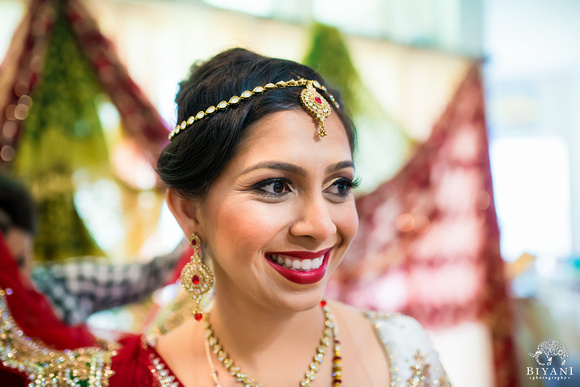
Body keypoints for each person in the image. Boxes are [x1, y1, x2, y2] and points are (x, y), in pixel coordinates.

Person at [0, 48, 451, 386]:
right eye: (276, 186)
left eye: (339, 186)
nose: (321, 226)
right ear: (189, 210)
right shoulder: (130, 378)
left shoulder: (403, 353)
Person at [0, 173, 186, 324]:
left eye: (20, 262)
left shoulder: (62, 286)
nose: (13, 280)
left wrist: (197, 227)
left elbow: (146, 276)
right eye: (3, 269)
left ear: (32, 248)